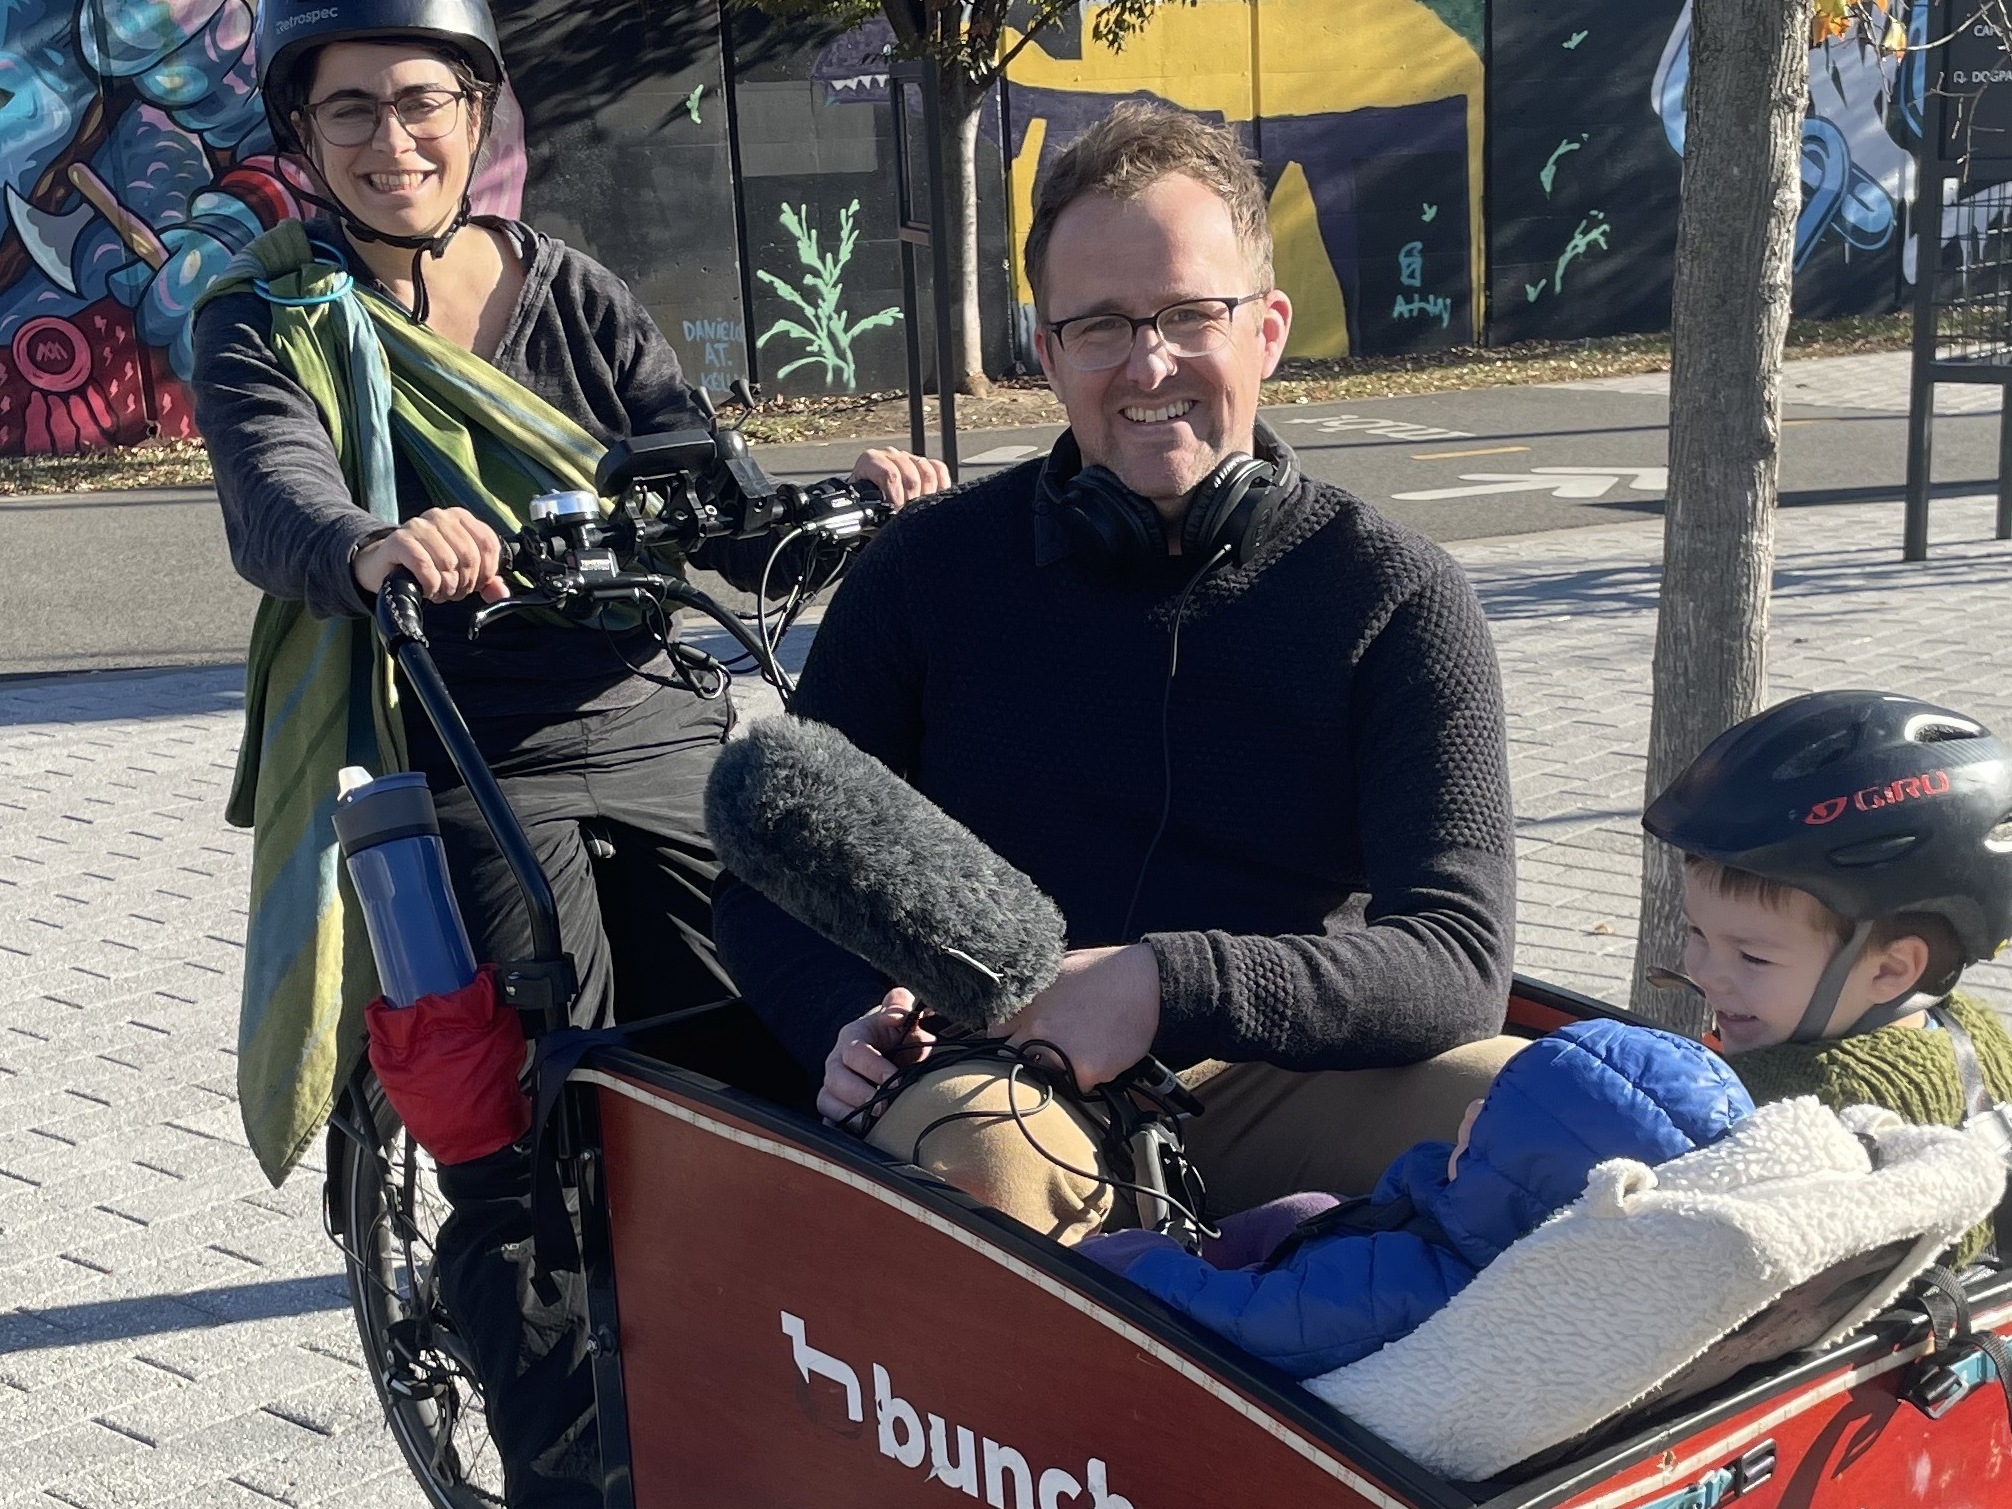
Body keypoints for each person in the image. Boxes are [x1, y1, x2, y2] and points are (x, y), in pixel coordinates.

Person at [193, 3, 944, 1503]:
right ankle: (568, 1466)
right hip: (469, 735)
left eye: (420, 101)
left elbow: (693, 480)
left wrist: (838, 496)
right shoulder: (264, 317)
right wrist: (373, 540)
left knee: (784, 1051)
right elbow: (276, 492)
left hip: (663, 709)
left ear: (477, 111)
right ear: (303, 137)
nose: (391, 140)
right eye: (350, 112)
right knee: (529, 1112)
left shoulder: (572, 289)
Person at [712, 101, 1524, 1244]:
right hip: (992, 1066)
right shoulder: (921, 573)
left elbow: (1453, 962)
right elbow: (767, 878)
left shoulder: (1395, 593)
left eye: (1191, 315)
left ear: (1267, 329)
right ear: (1045, 353)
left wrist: (1158, 984)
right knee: (985, 1162)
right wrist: (847, 1019)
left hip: (1271, 1067)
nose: (1149, 364)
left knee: (1544, 1123)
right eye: (1098, 326)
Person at [1074, 1020, 1750, 1378]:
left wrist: (1139, 1261)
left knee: (1257, 1229)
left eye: (1489, 1125)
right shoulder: (1516, 1245)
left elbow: (1240, 1321)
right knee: (1307, 1206)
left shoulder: (1395, 1285)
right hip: (1362, 1243)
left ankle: (1165, 1242)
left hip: (1284, 1300)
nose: (1471, 1110)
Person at [1642, 689, 2012, 1261]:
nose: (1707, 973)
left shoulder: (1775, 1110)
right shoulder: (1977, 1034)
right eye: (1697, 934)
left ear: (1891, 970)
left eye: (1754, 958)